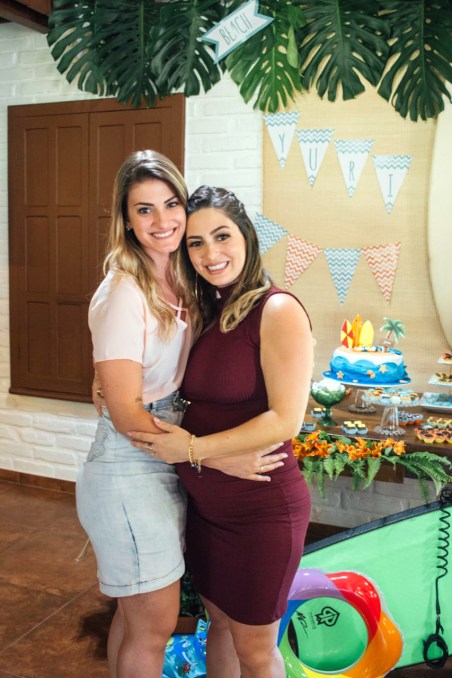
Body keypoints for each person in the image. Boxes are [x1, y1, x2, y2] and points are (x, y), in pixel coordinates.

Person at [77, 152, 287, 678]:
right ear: (126, 220)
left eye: (171, 204)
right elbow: (127, 413)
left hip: (168, 450)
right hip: (130, 461)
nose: (162, 220)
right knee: (155, 623)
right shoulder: (123, 290)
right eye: (144, 210)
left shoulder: (185, 278)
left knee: (138, 618)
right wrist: (213, 458)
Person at [129, 185, 314, 678]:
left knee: (256, 652)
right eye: (195, 242)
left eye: (222, 236)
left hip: (261, 511)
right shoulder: (209, 312)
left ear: (246, 235)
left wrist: (192, 449)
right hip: (208, 511)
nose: (211, 253)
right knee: (221, 629)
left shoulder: (276, 309)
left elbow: (286, 419)